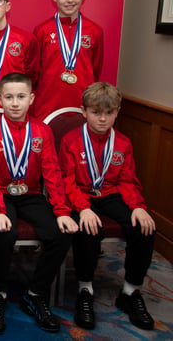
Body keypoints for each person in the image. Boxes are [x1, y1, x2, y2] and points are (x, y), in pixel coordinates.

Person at [0, 72, 78, 334]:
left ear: (31, 98)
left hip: (31, 194)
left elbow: (53, 174)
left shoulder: (42, 131)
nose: (14, 103)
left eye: (21, 97)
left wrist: (62, 211)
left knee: (61, 233)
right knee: (3, 231)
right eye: (8, 97)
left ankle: (35, 293)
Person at [58, 82, 156, 331]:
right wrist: (83, 208)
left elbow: (127, 181)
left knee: (144, 228)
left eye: (109, 112)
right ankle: (85, 289)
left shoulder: (123, 143)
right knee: (87, 229)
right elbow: (66, 182)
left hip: (111, 195)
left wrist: (138, 206)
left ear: (118, 111)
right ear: (84, 111)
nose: (102, 119)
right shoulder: (70, 141)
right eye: (96, 112)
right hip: (80, 195)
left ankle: (130, 292)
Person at [33, 0, 104, 121]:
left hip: (83, 107)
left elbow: (95, 69)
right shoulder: (42, 31)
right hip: (46, 107)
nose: (70, 0)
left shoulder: (95, 31)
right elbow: (35, 74)